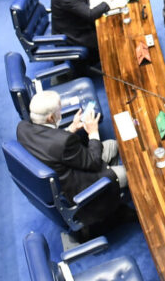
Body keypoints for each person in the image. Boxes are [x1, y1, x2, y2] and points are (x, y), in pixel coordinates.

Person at [15, 90, 127, 229]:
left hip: (66, 165)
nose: (61, 112)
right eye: (59, 110)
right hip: (78, 184)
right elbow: (94, 162)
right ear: (50, 118)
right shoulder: (63, 142)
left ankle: (114, 200)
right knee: (128, 174)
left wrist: (71, 128)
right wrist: (93, 133)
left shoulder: (22, 128)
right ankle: (111, 200)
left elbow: (49, 143)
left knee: (111, 145)